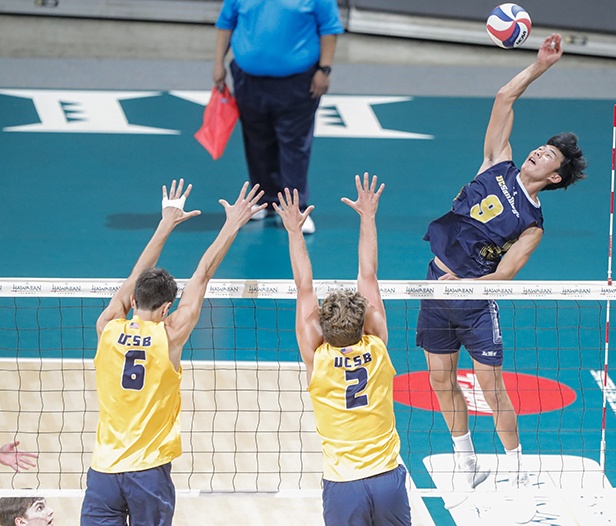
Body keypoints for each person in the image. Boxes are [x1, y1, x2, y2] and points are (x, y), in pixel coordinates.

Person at [415, 34, 587, 519]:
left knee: (492, 389)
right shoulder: (497, 161)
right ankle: (465, 460)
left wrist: (468, 287)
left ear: (554, 178)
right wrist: (540, 66)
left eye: (550, 156)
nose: (540, 151)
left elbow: (506, 274)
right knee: (439, 379)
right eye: (543, 147)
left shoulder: (532, 224)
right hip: (435, 284)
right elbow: (503, 98)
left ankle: (516, 466)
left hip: (473, 301)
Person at [80, 179, 266, 526]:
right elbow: (203, 273)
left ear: (133, 300)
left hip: (104, 471)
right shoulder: (171, 334)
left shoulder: (107, 326)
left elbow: (135, 275)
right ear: (167, 307)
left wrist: (165, 222)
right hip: (148, 474)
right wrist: (231, 223)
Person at [275, 174, 411, 526]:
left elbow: (303, 285)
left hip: (343, 485)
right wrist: (368, 217)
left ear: (322, 327)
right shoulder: (378, 345)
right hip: (388, 481)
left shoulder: (316, 357)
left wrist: (293, 231)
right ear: (364, 322)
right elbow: (368, 274)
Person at [213, 0, 345, 235]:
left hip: (297, 82)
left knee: (294, 145)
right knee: (256, 141)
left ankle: (296, 210)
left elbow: (329, 28)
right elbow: (226, 23)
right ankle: (264, 201)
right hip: (248, 80)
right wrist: (218, 64)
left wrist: (324, 69)